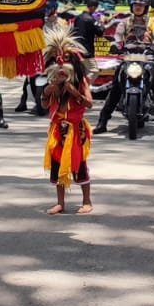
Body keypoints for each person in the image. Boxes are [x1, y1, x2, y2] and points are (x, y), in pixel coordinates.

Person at [95, 0, 154, 135]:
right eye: (136, 5)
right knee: (115, 89)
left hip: (147, 58)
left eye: (141, 5)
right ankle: (102, 122)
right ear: (131, 6)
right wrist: (115, 46)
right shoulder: (124, 22)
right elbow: (117, 37)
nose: (138, 8)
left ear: (145, 7)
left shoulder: (153, 22)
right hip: (128, 57)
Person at [43, 63, 94, 215]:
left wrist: (75, 93)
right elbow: (44, 105)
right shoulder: (53, 84)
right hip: (58, 131)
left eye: (66, 59)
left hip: (75, 131)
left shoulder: (81, 82)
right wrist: (46, 92)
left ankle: (87, 201)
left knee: (79, 165)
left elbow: (89, 104)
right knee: (57, 166)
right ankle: (60, 203)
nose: (60, 65)